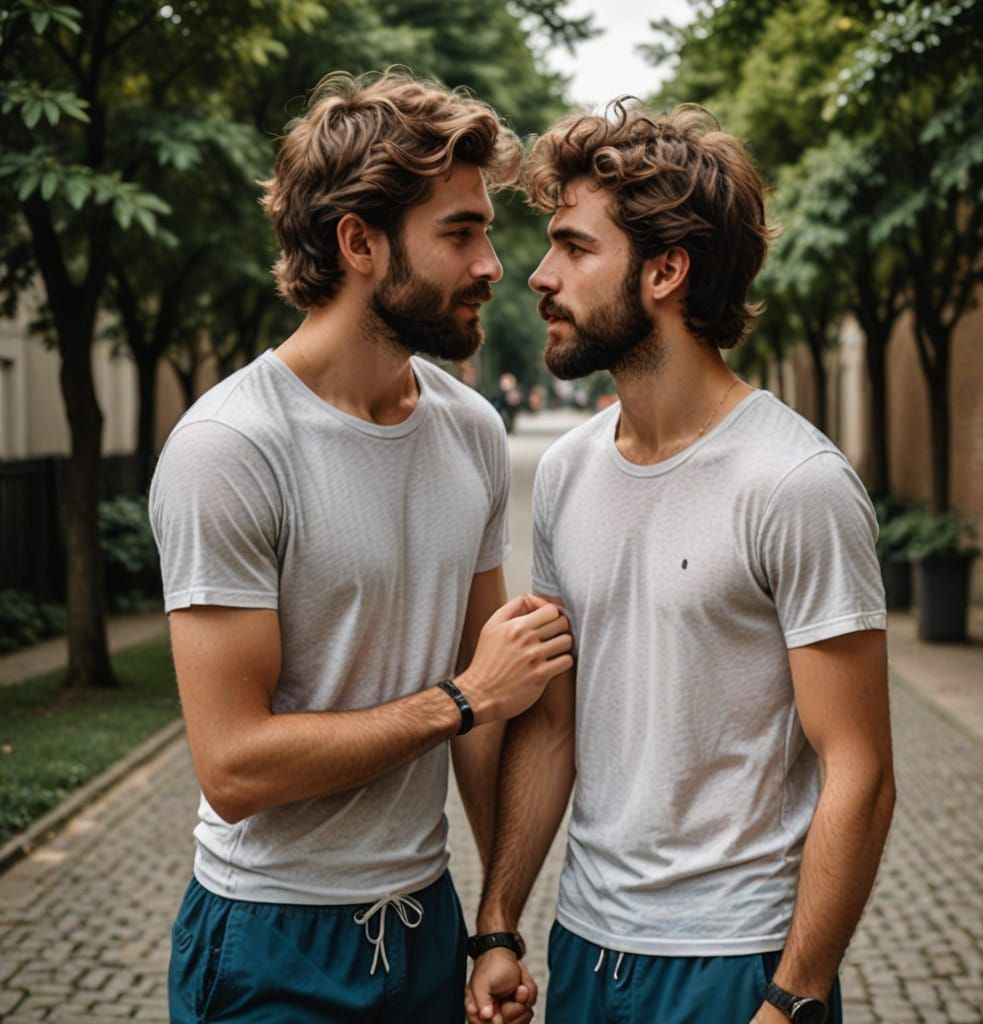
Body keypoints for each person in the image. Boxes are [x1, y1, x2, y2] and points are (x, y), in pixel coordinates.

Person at [148, 69, 573, 1024]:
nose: (494, 264)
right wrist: (460, 699)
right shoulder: (232, 449)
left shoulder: (470, 430)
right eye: (460, 233)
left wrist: (496, 927)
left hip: (425, 919)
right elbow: (235, 767)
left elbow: (491, 708)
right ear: (360, 242)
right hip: (271, 937)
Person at [465, 102, 896, 1024]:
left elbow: (858, 766)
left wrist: (795, 997)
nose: (538, 277)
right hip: (586, 949)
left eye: (575, 248)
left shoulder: (796, 482)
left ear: (665, 270)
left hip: (735, 962)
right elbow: (551, 728)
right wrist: (499, 924)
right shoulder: (570, 472)